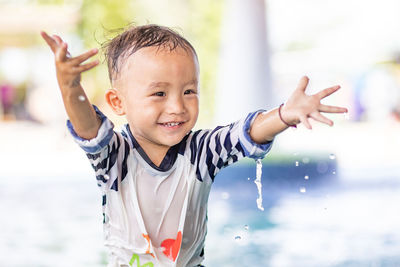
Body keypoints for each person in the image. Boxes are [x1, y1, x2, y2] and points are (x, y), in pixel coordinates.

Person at [40, 24, 347, 267]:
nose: (177, 106)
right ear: (118, 102)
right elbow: (88, 128)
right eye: (159, 93)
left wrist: (282, 115)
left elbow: (245, 133)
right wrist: (70, 86)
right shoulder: (116, 157)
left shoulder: (200, 152)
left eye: (189, 91)